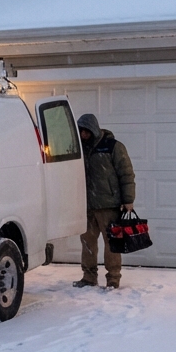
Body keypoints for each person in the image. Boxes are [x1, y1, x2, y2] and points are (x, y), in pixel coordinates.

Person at [74, 113, 135, 290]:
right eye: (80, 131)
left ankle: (113, 279)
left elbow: (126, 174)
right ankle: (88, 277)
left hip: (109, 205)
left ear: (93, 129)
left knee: (112, 244)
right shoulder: (78, 149)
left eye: (86, 131)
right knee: (87, 243)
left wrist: (128, 199)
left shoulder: (113, 147)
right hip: (86, 206)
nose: (83, 134)